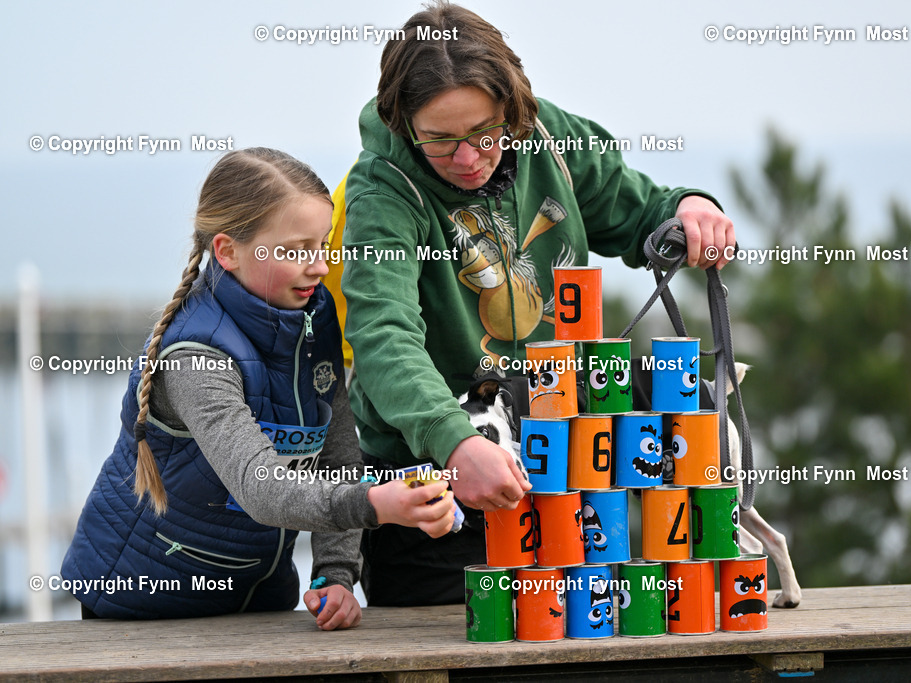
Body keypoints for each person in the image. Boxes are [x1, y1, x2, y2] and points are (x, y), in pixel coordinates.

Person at [334, 2, 736, 606]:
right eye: (440, 140)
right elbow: (384, 337)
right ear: (403, 121)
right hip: (438, 485)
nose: (467, 159)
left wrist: (686, 209)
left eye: (484, 133)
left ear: (514, 108)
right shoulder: (381, 194)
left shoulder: (551, 137)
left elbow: (636, 207)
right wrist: (456, 441)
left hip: (568, 464)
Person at [61, 148, 456, 628]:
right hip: (140, 606)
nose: (317, 266)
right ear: (227, 251)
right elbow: (260, 486)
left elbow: (337, 456)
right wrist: (374, 504)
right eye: (295, 251)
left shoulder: (315, 314)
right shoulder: (195, 355)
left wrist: (333, 574)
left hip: (256, 601)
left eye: (323, 244)